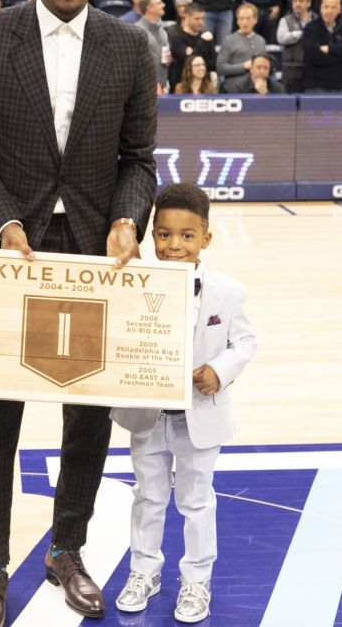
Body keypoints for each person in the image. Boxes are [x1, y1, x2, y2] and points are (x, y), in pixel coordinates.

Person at [0, 0, 158, 625]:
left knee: (86, 417)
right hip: (9, 254)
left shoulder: (129, 46)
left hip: (94, 257)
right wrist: (1, 218)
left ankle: (68, 547)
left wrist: (129, 219)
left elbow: (139, 161)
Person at [110, 182, 257, 625]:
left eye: (187, 236)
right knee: (148, 497)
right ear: (150, 235)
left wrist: (220, 370)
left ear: (205, 239)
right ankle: (143, 572)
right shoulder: (129, 283)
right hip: (147, 415)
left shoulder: (227, 291)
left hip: (200, 415)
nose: (174, 245)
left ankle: (197, 579)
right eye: (164, 234)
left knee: (196, 501)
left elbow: (244, 341)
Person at [302, 0, 342, 92]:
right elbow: (313, 55)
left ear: (339, 10)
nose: (329, 11)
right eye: (326, 7)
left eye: (333, 7)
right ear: (321, 8)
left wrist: (329, 49)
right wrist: (340, 52)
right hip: (315, 85)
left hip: (339, 85)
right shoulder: (310, 28)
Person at [217, 3, 267, 92]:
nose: (244, 22)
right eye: (241, 19)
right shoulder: (229, 40)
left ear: (255, 20)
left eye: (248, 18)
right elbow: (220, 68)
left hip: (256, 88)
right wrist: (243, 66)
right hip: (234, 88)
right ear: (237, 21)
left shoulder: (261, 40)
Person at [168, 1, 216, 91]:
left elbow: (213, 64)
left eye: (203, 18)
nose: (201, 22)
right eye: (197, 19)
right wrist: (202, 42)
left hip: (203, 88)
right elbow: (189, 63)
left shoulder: (206, 37)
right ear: (186, 17)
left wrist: (195, 55)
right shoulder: (178, 39)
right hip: (182, 88)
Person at [277, 0, 313, 91]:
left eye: (301, 1)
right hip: (291, 68)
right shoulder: (285, 20)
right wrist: (301, 34)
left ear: (308, 3)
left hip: (312, 67)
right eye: (295, 1)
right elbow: (281, 38)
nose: (297, 4)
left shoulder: (316, 19)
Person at [136, 0, 172, 90]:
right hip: (144, 87)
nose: (163, 5)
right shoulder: (137, 30)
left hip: (162, 84)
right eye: (159, 3)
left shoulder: (161, 29)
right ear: (150, 8)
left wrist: (168, 60)